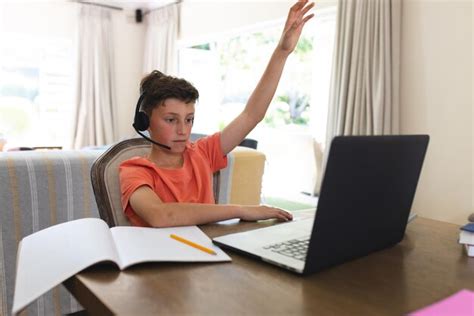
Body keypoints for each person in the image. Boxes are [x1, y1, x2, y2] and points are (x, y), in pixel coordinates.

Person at [120, 0, 315, 227]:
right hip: (162, 261)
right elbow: (161, 216)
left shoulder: (201, 154)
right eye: (171, 120)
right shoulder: (135, 170)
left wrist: (282, 52)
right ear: (145, 121)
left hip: (208, 254)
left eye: (189, 119)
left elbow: (252, 114)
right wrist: (240, 209)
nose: (183, 130)